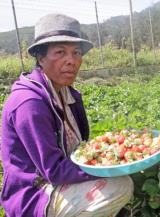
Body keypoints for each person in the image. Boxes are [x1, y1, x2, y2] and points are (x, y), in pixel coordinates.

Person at [0, 13, 133, 217]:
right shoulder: (29, 103)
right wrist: (112, 165)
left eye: (76, 52)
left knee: (122, 179)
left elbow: (81, 147)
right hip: (35, 193)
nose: (71, 61)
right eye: (60, 52)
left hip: (60, 179)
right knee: (118, 186)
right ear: (41, 57)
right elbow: (53, 170)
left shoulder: (66, 92)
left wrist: (115, 152)